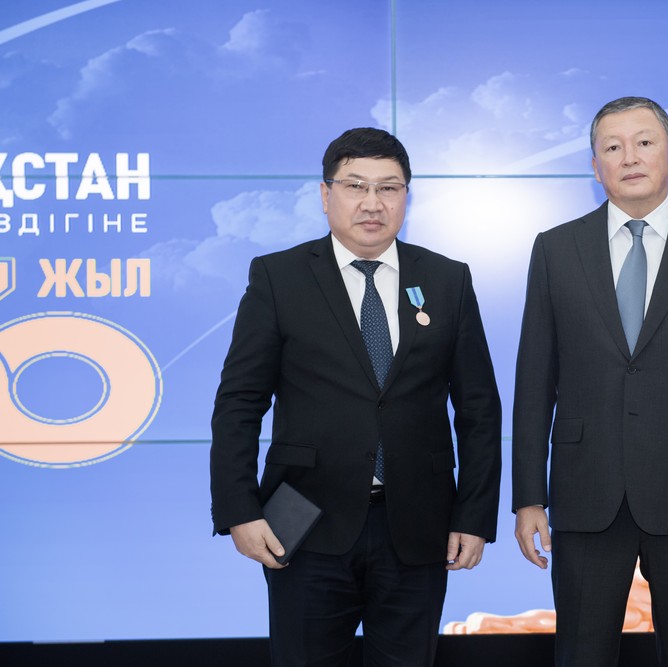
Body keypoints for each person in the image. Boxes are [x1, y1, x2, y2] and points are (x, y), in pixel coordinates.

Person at [210, 127, 502, 667]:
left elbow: (479, 409)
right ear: (326, 195)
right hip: (302, 520)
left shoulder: (447, 279)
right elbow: (239, 403)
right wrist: (238, 510)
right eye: (355, 186)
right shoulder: (279, 277)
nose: (373, 203)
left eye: (389, 188)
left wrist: (475, 514)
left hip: (419, 524)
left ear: (406, 197)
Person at [512, 97, 668, 666]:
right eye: (612, 147)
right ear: (595, 165)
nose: (629, 157)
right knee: (581, 654)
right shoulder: (555, 249)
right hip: (585, 492)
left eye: (644, 142)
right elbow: (534, 383)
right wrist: (529, 497)